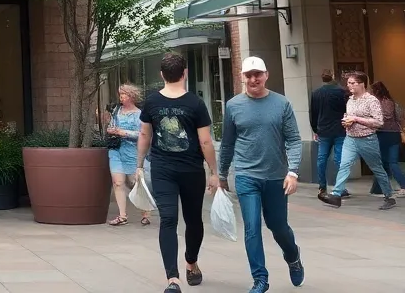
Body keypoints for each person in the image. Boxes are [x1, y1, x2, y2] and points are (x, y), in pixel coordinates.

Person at [218, 57, 305, 293]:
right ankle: (260, 279)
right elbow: (227, 143)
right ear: (242, 76)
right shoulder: (234, 106)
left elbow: (294, 140)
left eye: (258, 74)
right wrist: (222, 174)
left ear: (266, 75)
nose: (253, 79)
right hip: (246, 176)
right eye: (249, 75)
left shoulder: (281, 104)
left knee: (278, 227)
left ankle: (293, 254)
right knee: (252, 228)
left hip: (276, 177)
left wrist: (293, 172)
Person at [136, 52, 219, 293]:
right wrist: (214, 172)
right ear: (185, 73)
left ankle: (186, 266)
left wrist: (139, 165)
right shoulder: (196, 103)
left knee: (176, 221)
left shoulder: (152, 102)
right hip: (188, 170)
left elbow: (144, 135)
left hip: (166, 170)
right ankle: (176, 276)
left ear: (162, 75)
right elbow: (206, 143)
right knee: (185, 220)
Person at [320, 71, 396, 210]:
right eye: (348, 83)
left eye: (353, 83)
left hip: (367, 139)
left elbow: (379, 122)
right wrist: (347, 121)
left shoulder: (371, 100)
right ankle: (336, 195)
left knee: (377, 168)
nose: (349, 86)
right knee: (344, 165)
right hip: (350, 138)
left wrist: (356, 119)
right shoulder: (350, 100)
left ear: (362, 84)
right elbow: (350, 116)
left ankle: (388, 195)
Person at [106, 83, 150, 227]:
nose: (121, 97)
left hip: (132, 151)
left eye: (123, 94)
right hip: (116, 149)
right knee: (118, 182)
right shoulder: (116, 111)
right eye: (120, 94)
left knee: (133, 183)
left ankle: (145, 212)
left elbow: (143, 135)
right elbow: (111, 126)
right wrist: (111, 130)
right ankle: (122, 215)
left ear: (131, 96)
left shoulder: (139, 114)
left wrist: (123, 132)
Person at [308, 69, 347, 198]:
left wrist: (315, 130)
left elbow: (313, 113)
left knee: (321, 159)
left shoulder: (316, 93)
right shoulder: (341, 92)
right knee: (339, 159)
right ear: (333, 76)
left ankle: (322, 187)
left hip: (323, 130)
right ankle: (340, 187)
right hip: (340, 129)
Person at [369, 81, 405, 199]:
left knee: (385, 162)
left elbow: (386, 116)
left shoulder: (380, 102)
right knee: (391, 162)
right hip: (394, 134)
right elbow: (399, 117)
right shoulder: (392, 102)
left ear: (376, 91)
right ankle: (380, 188)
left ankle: (383, 188)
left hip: (383, 134)